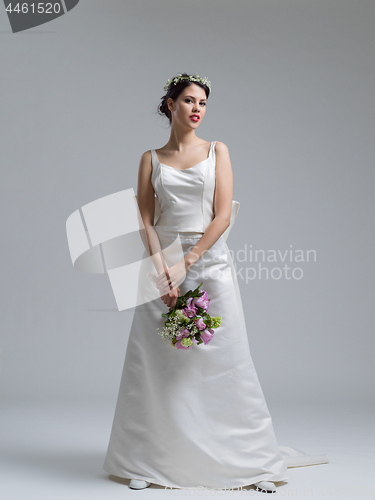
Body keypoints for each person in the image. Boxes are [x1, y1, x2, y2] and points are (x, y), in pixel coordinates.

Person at [102, 73, 289, 493]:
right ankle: (146, 460)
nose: (196, 109)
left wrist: (187, 262)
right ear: (170, 104)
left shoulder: (217, 151)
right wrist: (161, 267)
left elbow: (222, 215)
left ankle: (249, 464)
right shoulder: (150, 158)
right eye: (188, 100)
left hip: (207, 260)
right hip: (161, 264)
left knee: (223, 356)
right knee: (157, 359)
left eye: (202, 103)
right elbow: (145, 218)